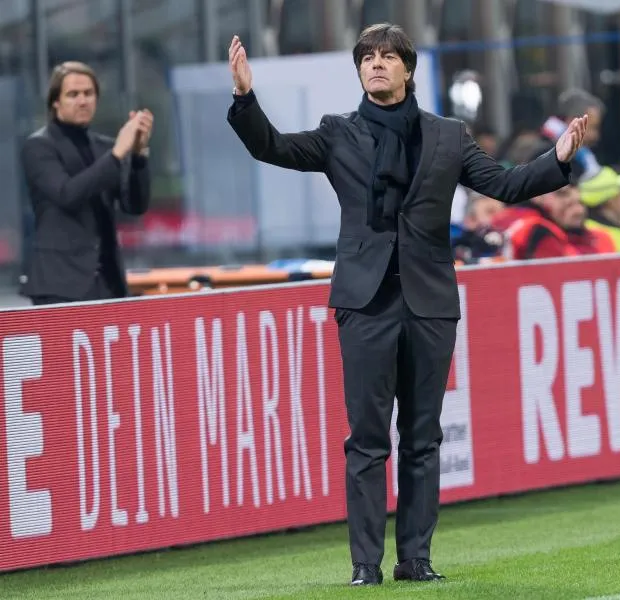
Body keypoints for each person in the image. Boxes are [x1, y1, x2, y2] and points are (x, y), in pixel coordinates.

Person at [226, 24, 586, 586]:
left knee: (423, 435)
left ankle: (415, 558)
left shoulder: (448, 135)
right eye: (367, 58)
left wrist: (557, 159)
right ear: (359, 70)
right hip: (365, 304)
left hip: (430, 303)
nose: (376, 65)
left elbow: (506, 184)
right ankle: (364, 566)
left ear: (408, 69)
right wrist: (246, 99)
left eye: (387, 57)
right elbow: (272, 147)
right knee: (367, 439)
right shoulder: (337, 133)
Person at [20, 61, 152, 305]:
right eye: (73, 94)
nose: (83, 100)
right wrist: (117, 154)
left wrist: (137, 155)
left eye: (88, 93)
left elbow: (134, 206)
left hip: (109, 282)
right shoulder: (38, 146)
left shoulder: (104, 146)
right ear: (55, 102)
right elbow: (67, 194)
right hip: (60, 284)